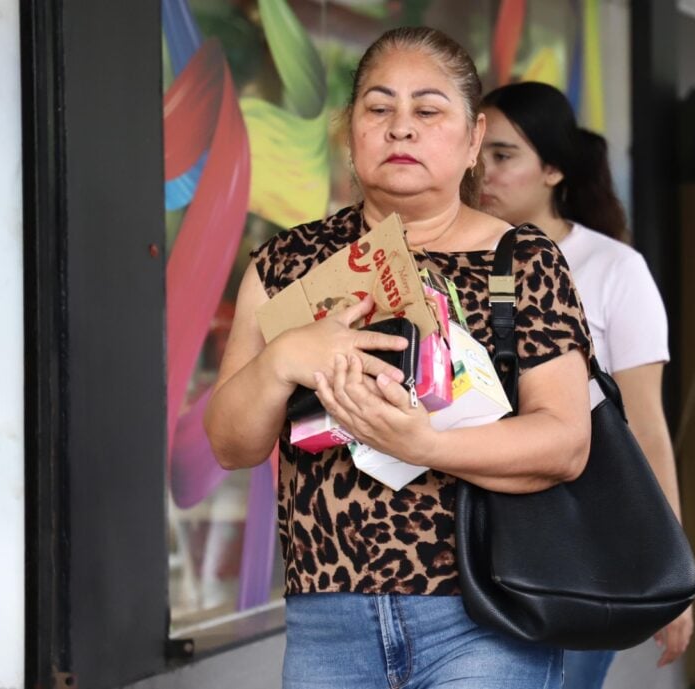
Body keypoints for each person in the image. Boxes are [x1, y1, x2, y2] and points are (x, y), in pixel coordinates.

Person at [204, 28, 593, 689]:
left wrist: (424, 442)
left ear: (473, 141)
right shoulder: (288, 263)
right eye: (379, 109)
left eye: (429, 110)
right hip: (327, 625)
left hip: (484, 615)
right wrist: (284, 358)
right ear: (350, 133)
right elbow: (231, 444)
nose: (401, 129)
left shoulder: (522, 260)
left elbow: (564, 441)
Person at [479, 81, 694, 687]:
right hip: (469, 539)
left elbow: (646, 426)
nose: (484, 174)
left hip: (577, 546)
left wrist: (670, 567)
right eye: (477, 156)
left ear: (552, 168)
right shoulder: (451, 260)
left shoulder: (613, 269)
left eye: (503, 156)